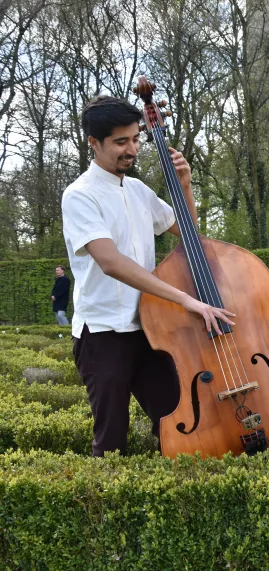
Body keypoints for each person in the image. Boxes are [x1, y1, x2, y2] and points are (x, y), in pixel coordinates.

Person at [62, 95, 234, 457]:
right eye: (121, 142)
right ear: (94, 142)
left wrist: (184, 185)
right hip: (103, 333)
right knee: (112, 440)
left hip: (148, 329)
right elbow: (111, 262)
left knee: (179, 425)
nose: (132, 149)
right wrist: (186, 299)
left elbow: (188, 232)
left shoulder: (138, 190)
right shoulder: (79, 195)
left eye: (136, 139)